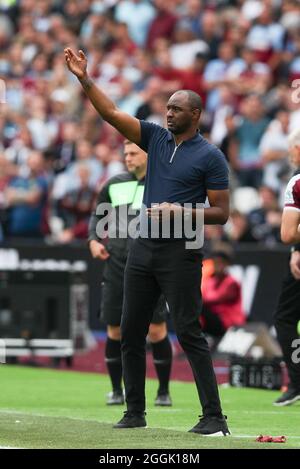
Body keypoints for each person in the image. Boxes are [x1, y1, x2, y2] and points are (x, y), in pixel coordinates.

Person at [65, 47, 230, 436]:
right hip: (143, 247)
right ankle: (135, 412)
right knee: (130, 328)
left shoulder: (211, 156)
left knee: (188, 331)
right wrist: (85, 79)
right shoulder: (154, 137)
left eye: (176, 108)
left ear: (196, 115)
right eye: (167, 108)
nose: (168, 113)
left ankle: (214, 418)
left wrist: (180, 213)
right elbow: (110, 114)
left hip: (182, 250)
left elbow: (222, 213)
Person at [88, 140, 173, 406]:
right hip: (116, 263)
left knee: (157, 330)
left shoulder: (164, 183)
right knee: (114, 328)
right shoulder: (114, 184)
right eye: (125, 153)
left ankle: (163, 391)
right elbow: (97, 215)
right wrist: (93, 239)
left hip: (151, 266)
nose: (128, 158)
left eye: (134, 153)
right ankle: (116, 390)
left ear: (149, 155)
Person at [273, 128, 300, 406]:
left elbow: (288, 232)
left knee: (284, 318)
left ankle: (297, 379)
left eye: (292, 148)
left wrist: (294, 245)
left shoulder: (297, 181)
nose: (290, 154)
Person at [201, 246, 245, 340]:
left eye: (221, 263)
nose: (218, 266)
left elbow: (214, 299)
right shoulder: (210, 280)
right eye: (216, 263)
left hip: (230, 323)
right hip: (216, 321)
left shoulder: (232, 283)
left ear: (227, 264)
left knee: (199, 307)